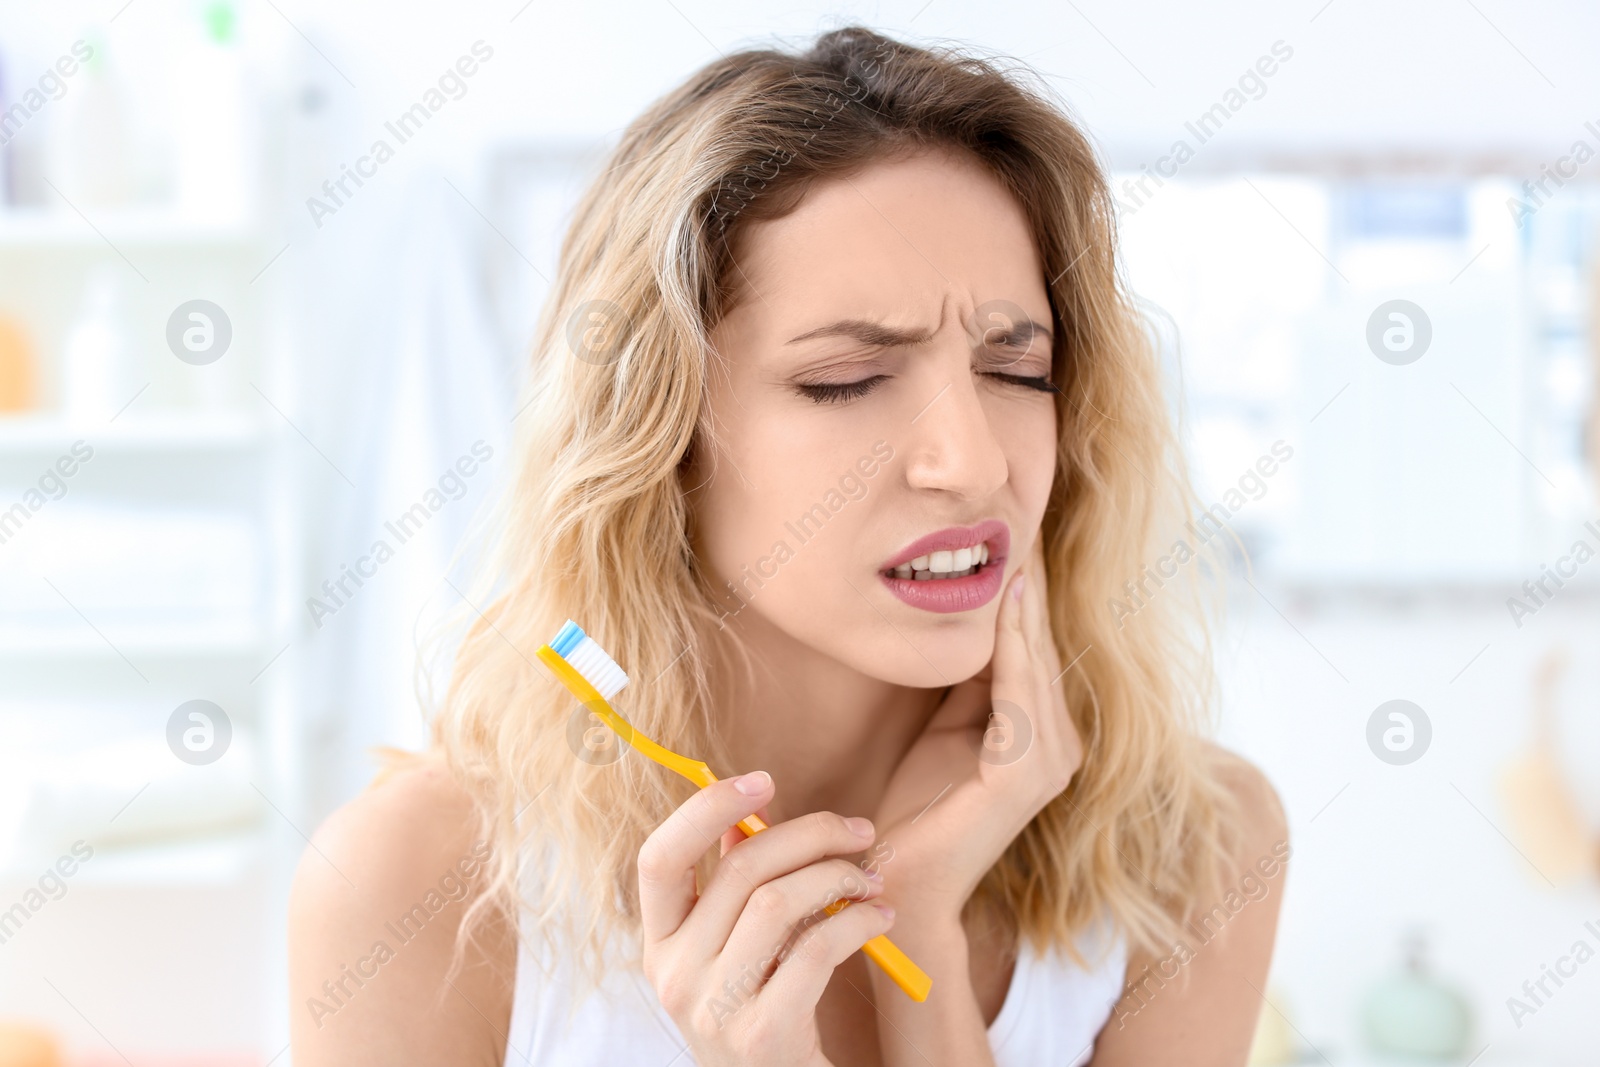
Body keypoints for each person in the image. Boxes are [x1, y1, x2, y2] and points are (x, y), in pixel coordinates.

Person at [289, 25, 1287, 1067]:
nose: (973, 460)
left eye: (1015, 368)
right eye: (846, 379)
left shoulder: (1197, 850)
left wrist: (919, 935)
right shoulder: (419, 886)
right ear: (659, 435)